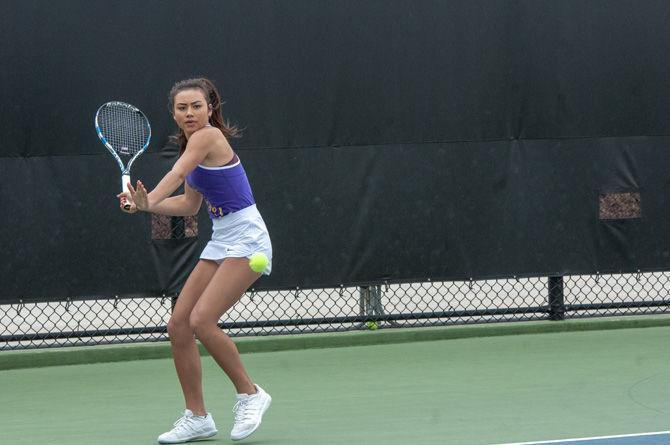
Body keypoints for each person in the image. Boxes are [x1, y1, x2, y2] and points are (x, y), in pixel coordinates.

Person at [118, 77, 272, 443]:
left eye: (197, 106)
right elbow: (189, 205)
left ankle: (251, 394)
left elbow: (177, 173)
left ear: (210, 108)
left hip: (247, 238)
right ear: (173, 113)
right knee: (179, 326)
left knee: (203, 320)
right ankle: (198, 416)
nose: (190, 113)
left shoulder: (208, 138)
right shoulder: (192, 145)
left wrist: (150, 196)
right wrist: (145, 206)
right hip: (222, 238)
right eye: (182, 108)